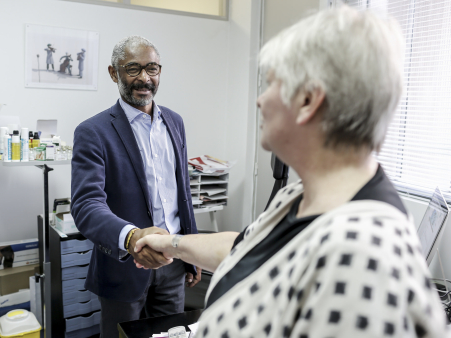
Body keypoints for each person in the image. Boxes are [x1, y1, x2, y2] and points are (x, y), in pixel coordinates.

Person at [133, 6, 450, 338]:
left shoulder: (361, 254)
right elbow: (249, 249)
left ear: (309, 100)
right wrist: (171, 243)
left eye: (271, 84)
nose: (260, 100)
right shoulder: (300, 195)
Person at [71, 36, 200, 338]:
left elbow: (182, 195)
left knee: (173, 335)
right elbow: (87, 205)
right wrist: (131, 238)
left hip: (173, 261)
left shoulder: (175, 122)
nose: (144, 78)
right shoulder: (94, 132)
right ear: (114, 73)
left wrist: (191, 254)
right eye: (133, 69)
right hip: (124, 265)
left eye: (152, 69)